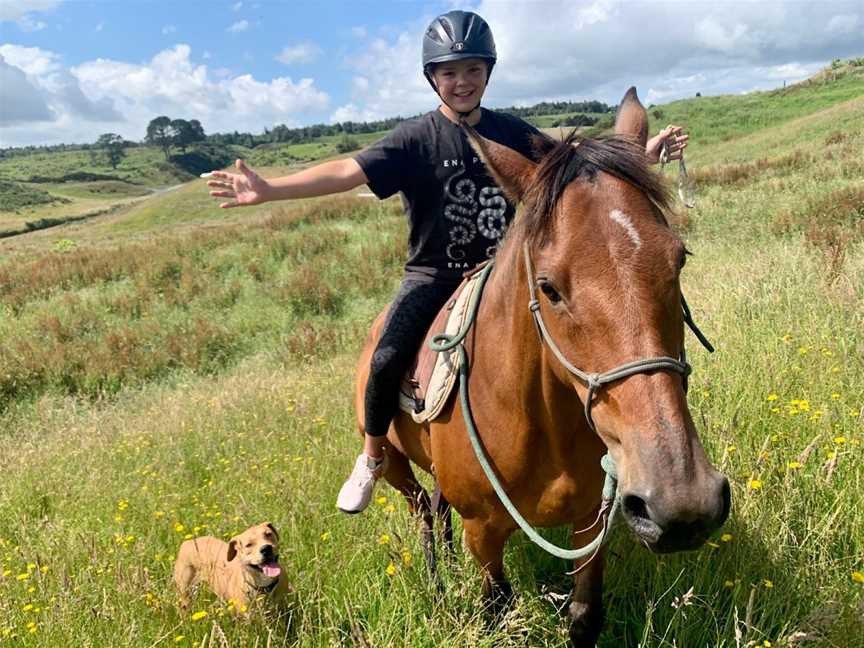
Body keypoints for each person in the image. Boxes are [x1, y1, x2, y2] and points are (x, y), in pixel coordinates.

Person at [205, 10, 689, 514]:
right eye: (450, 72)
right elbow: (347, 171)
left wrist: (645, 154)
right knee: (387, 357)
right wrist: (270, 190)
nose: (462, 82)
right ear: (432, 77)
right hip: (433, 276)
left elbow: (580, 180)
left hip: (503, 275)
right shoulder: (415, 139)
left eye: (473, 70)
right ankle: (372, 456)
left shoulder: (514, 134)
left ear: (488, 72)